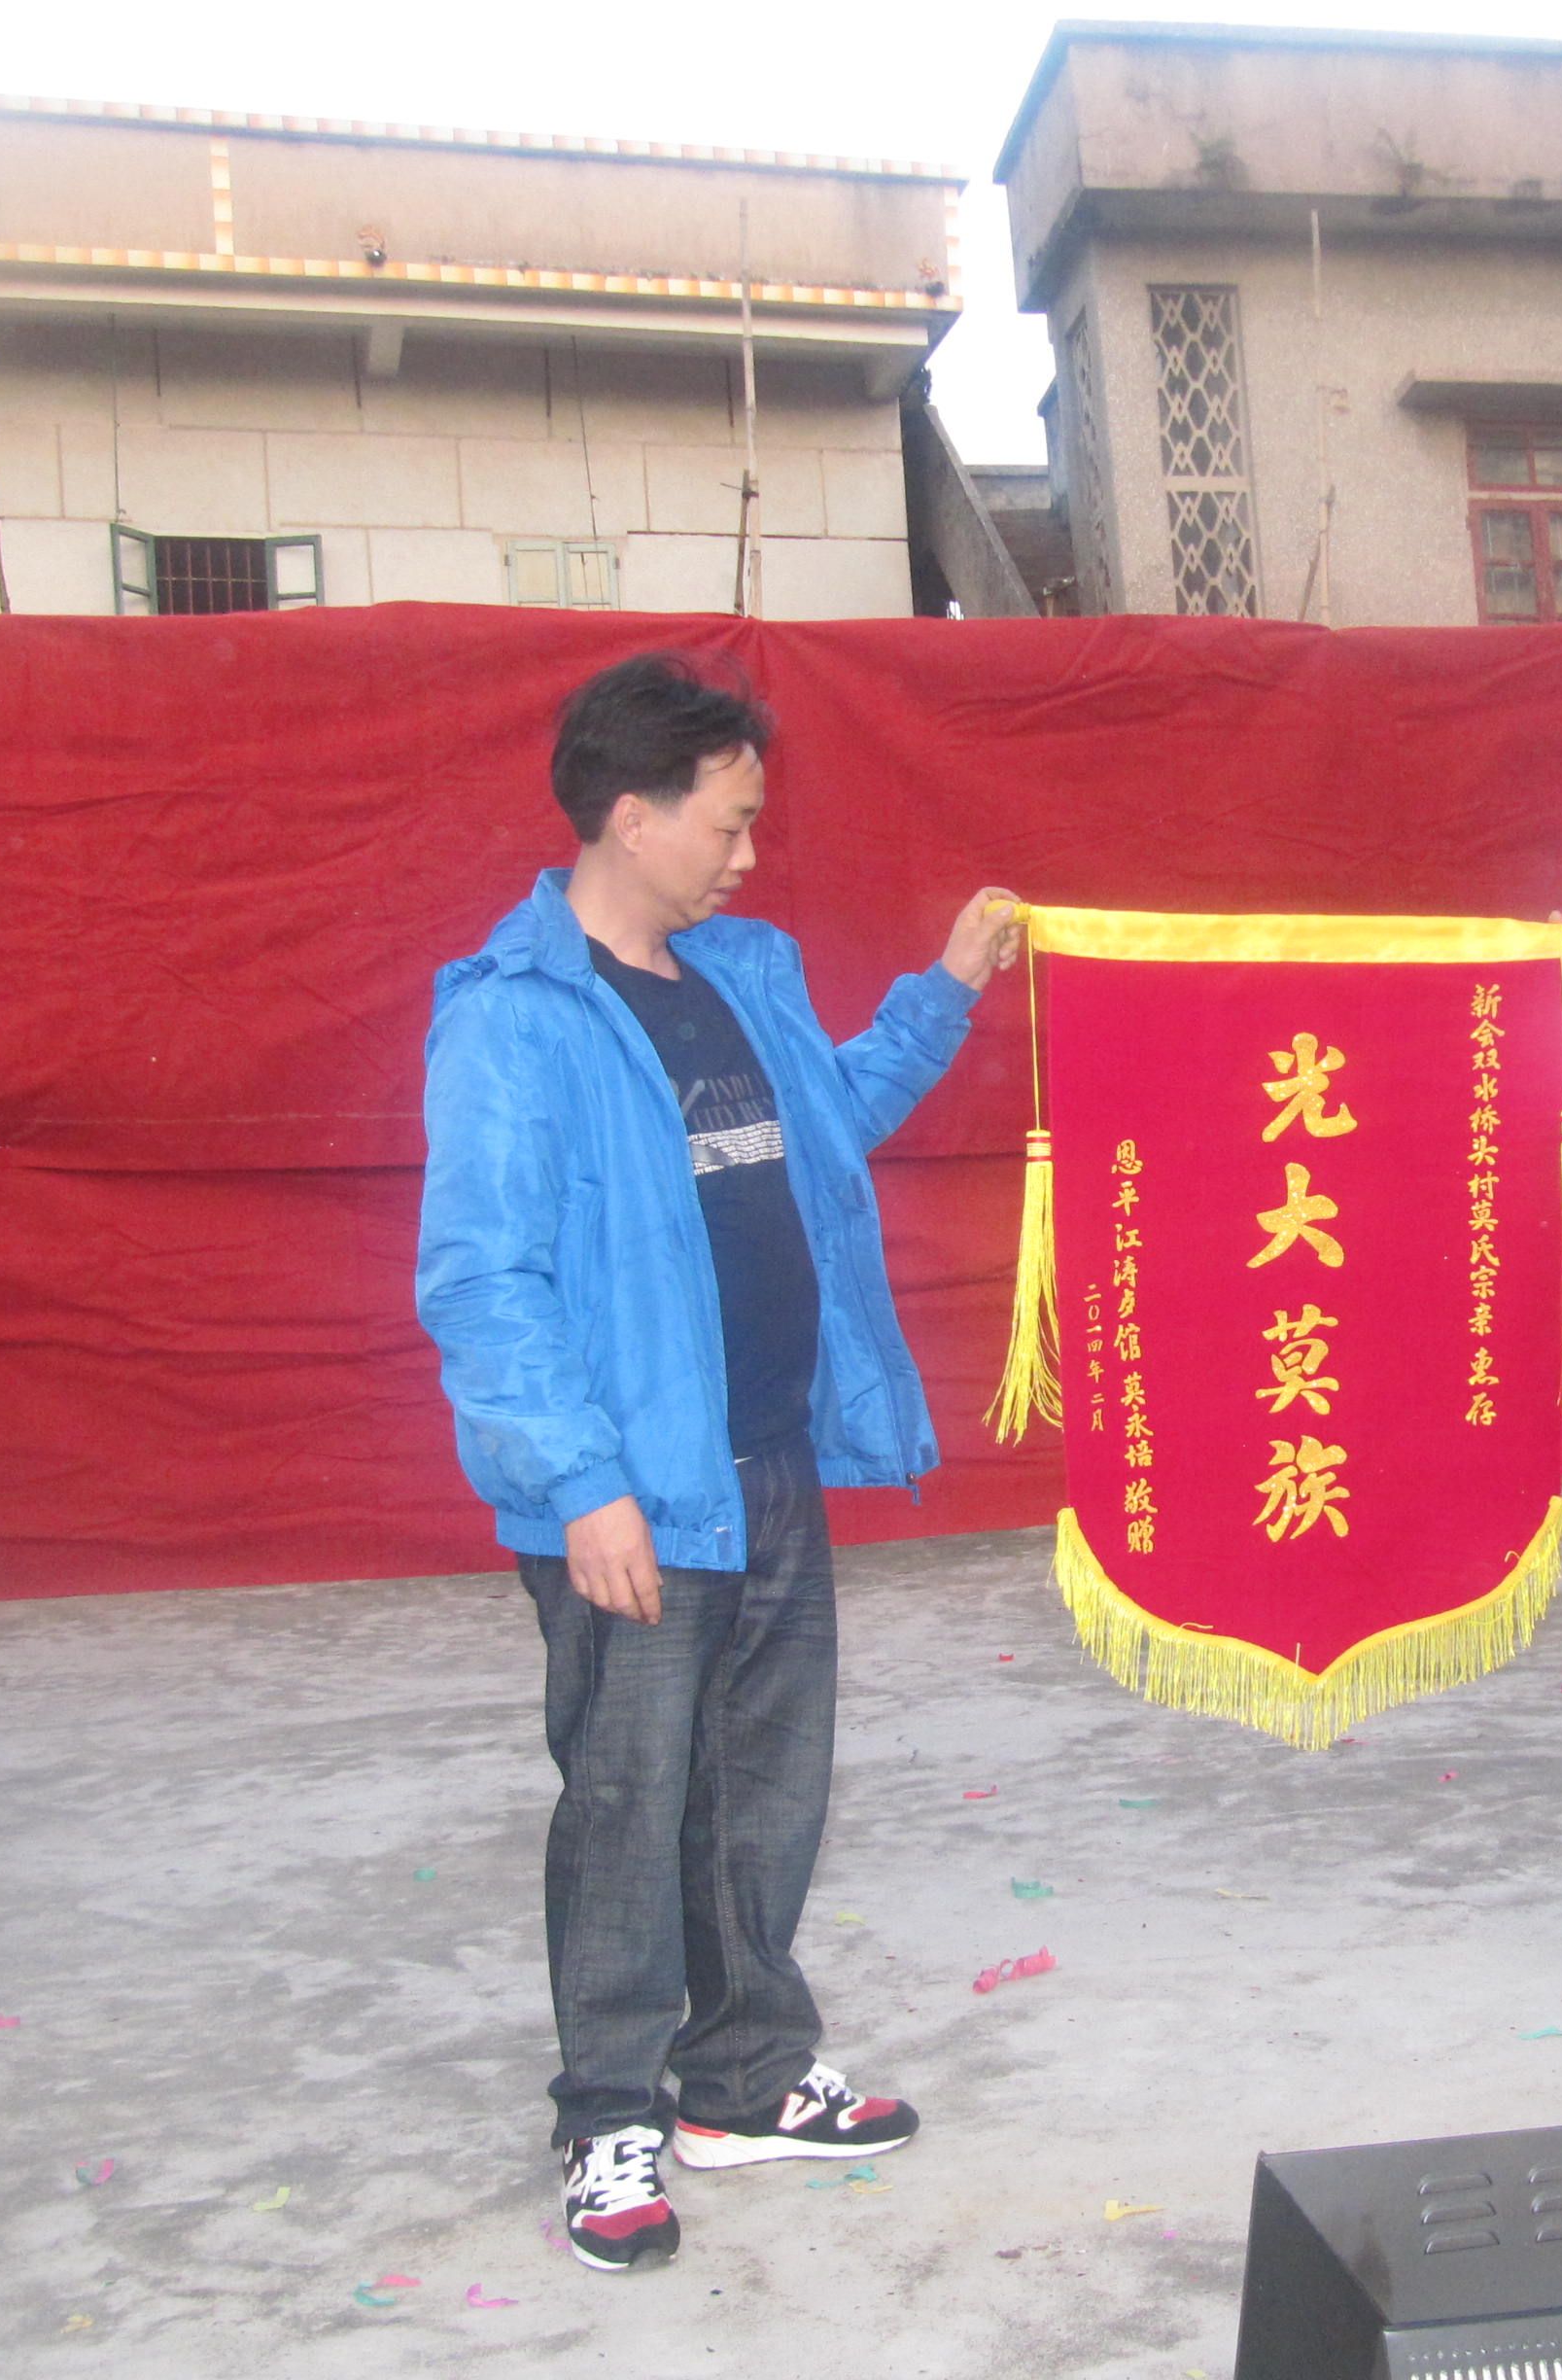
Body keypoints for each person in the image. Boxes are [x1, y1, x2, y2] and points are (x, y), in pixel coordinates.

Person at [416, 652, 1021, 2272]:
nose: (749, 855)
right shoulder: (516, 1020)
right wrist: (583, 1485)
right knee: (629, 1804)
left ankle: (744, 2079)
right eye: (728, 823)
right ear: (632, 816)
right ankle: (608, 2112)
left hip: (768, 1457)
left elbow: (832, 1123)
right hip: (632, 1490)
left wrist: (945, 987)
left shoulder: (740, 977)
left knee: (762, 1787)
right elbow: (481, 1280)